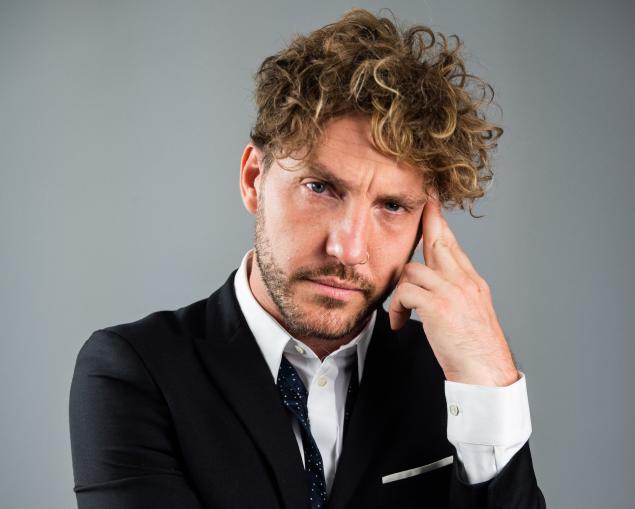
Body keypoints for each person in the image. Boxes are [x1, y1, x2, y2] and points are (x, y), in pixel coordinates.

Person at [69, 8, 546, 508]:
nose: (348, 248)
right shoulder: (136, 371)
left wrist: (492, 381)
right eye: (319, 188)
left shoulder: (454, 379)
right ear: (255, 179)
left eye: (391, 206)